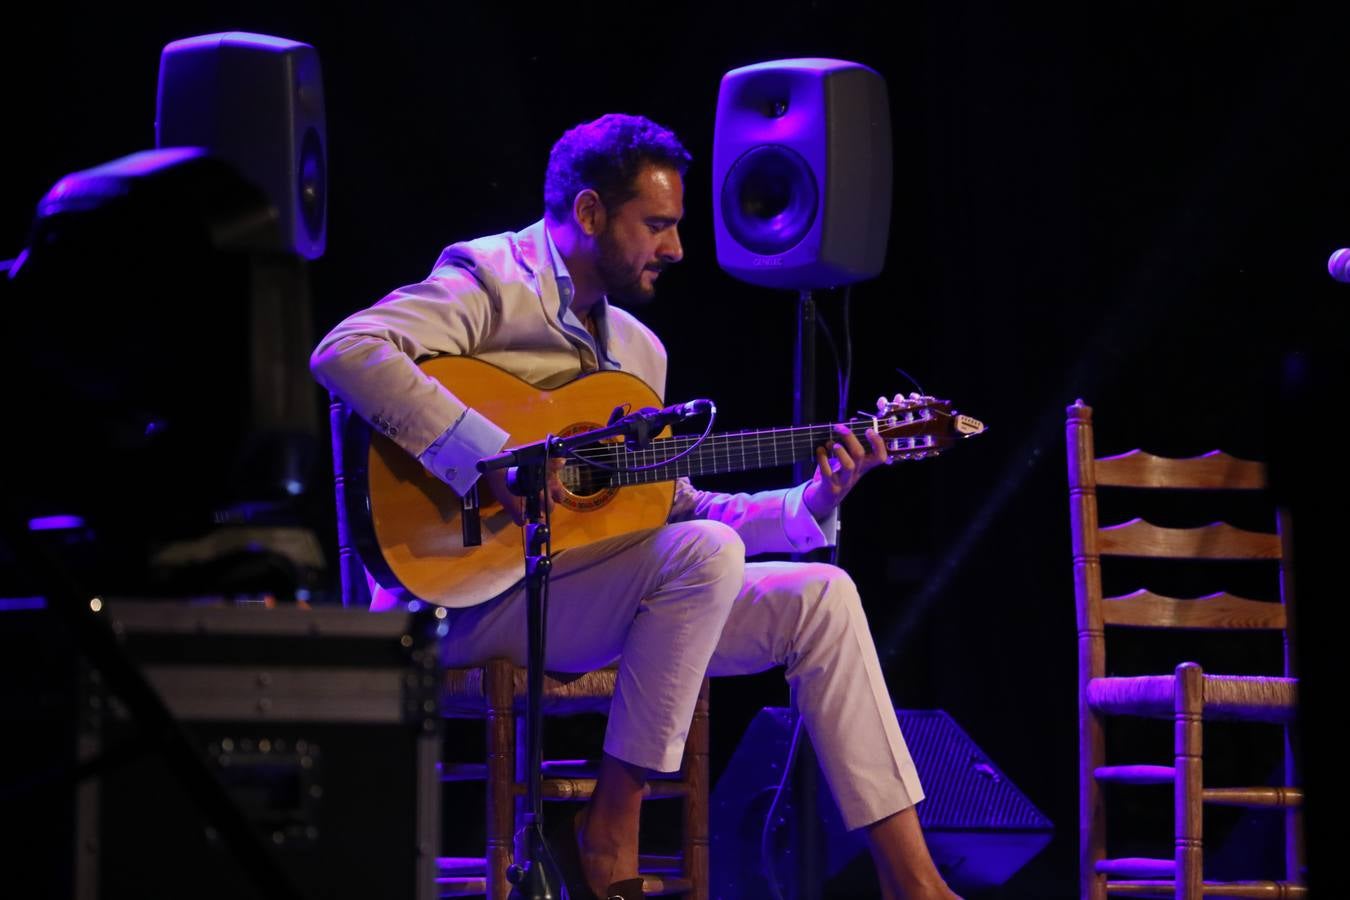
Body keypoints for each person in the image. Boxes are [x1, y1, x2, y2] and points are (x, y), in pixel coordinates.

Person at [311, 113, 960, 900]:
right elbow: (346, 351)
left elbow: (669, 509)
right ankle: (611, 829)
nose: (677, 249)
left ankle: (914, 883)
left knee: (823, 596)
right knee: (705, 560)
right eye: (656, 225)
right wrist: (489, 457)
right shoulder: (490, 279)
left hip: (594, 596)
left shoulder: (640, 352)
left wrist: (812, 497)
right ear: (589, 214)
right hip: (465, 593)